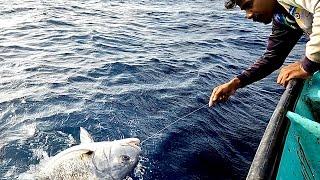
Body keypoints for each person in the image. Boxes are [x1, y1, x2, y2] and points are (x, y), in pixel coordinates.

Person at [208, 0, 320, 107]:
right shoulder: (283, 16)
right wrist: (236, 82)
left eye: (249, 5)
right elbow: (272, 58)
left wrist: (307, 65)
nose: (248, 15)